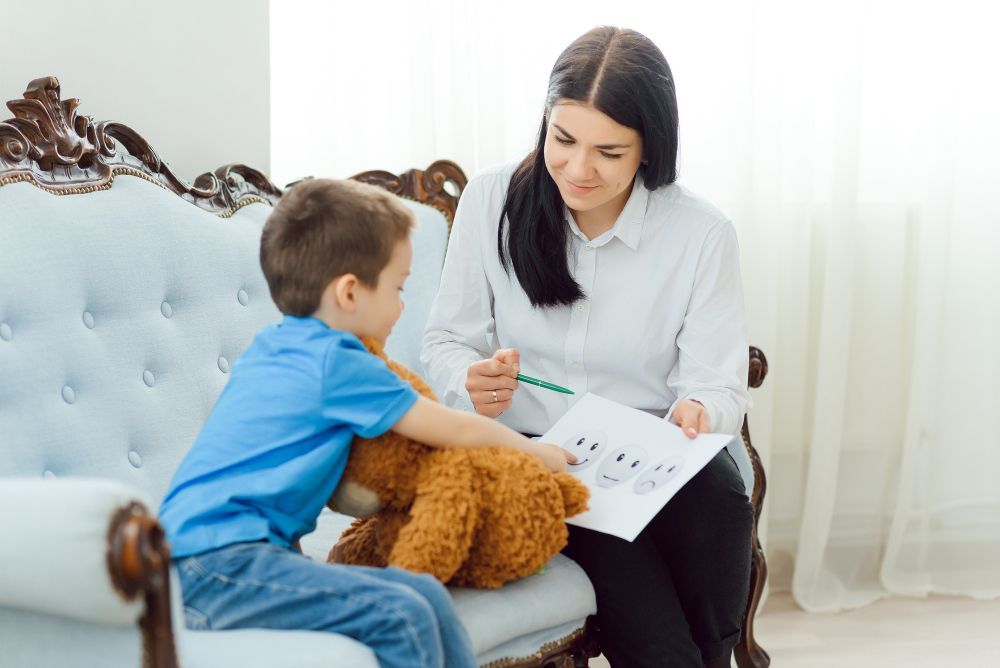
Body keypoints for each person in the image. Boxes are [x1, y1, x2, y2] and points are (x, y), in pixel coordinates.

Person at [421, 26, 755, 668]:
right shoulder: (494, 200)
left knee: (721, 501)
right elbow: (445, 341)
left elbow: (717, 384)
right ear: (544, 123)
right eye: (563, 140)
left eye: (608, 152)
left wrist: (698, 413)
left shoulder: (701, 233)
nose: (578, 170)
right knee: (653, 631)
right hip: (539, 459)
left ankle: (719, 654)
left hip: (653, 459)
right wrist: (472, 379)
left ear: (649, 152)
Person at [158, 178, 573, 668]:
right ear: (350, 292)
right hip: (212, 569)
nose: (402, 305)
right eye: (398, 288)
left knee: (424, 597)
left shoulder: (278, 343)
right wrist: (538, 454)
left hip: (211, 564)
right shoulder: (340, 362)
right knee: (399, 612)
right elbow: (455, 430)